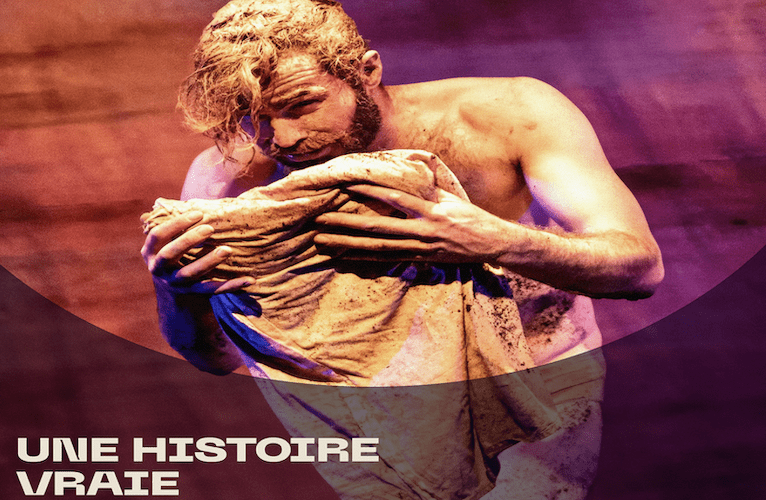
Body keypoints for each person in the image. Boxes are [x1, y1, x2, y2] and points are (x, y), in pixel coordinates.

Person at [140, 1, 663, 498]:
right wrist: (177, 293)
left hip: (535, 372)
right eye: (249, 117)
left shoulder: (507, 115)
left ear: (366, 71)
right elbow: (216, 357)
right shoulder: (228, 178)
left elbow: (640, 268)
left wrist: (494, 240)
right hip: (367, 409)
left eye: (302, 105)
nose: (283, 138)